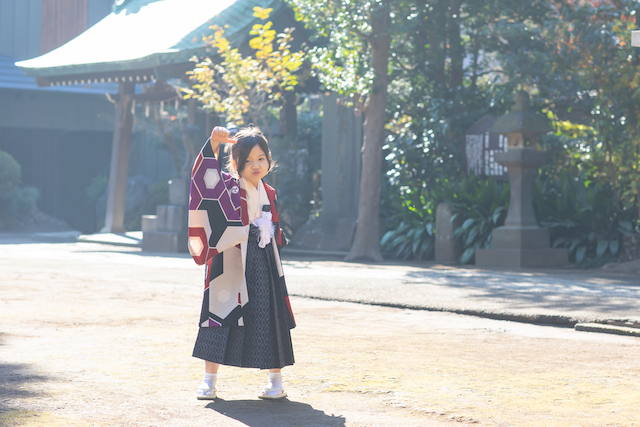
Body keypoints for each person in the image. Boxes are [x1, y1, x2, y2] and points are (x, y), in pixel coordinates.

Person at [187, 125, 295, 401]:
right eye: (247, 160)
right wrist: (213, 144)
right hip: (231, 258)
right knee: (220, 318)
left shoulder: (268, 191)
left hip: (262, 259)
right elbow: (203, 180)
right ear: (235, 164)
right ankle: (209, 381)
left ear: (269, 159)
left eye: (261, 158)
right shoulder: (228, 186)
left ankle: (276, 381)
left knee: (269, 317)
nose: (255, 165)